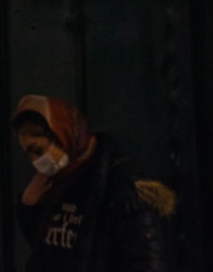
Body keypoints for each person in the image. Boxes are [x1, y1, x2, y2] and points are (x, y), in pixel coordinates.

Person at [11, 94, 175, 271]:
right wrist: (28, 206)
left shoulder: (121, 184)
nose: (35, 161)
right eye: (29, 153)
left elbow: (146, 261)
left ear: (61, 134)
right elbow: (46, 248)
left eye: (38, 150)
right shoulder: (55, 182)